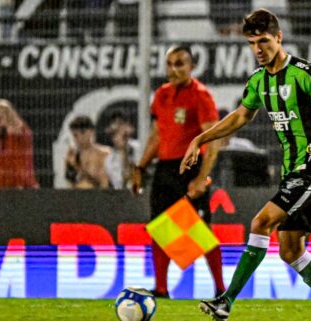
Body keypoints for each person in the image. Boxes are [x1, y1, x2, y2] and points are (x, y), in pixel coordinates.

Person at [180, 9, 311, 321]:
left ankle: (226, 301)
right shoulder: (258, 81)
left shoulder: (305, 73)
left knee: (260, 222)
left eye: (263, 41)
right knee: (290, 250)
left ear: (279, 38)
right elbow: (240, 116)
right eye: (252, 43)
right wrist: (200, 139)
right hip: (291, 173)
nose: (258, 49)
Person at [132, 45, 226, 299]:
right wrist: (140, 166)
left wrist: (201, 178)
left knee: (200, 231)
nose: (174, 69)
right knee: (160, 227)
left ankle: (221, 289)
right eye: (170, 64)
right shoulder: (161, 95)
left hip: (191, 168)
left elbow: (213, 141)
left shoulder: (201, 96)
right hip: (164, 168)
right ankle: (161, 288)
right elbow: (156, 135)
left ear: (191, 67)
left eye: (180, 63)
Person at [65, 116, 111, 189]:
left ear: (91, 132)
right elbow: (70, 181)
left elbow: (105, 183)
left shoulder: (104, 154)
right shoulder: (71, 155)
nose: (80, 138)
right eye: (75, 135)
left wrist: (84, 173)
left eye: (83, 133)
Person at [104, 112, 137, 190]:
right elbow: (120, 185)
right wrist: (123, 152)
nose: (119, 135)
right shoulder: (110, 160)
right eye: (114, 133)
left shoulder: (139, 149)